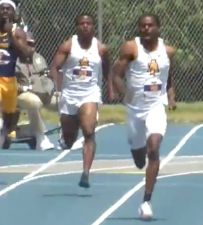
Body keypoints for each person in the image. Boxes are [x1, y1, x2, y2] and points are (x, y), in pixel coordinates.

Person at [112, 13, 176, 220]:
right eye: (142, 26)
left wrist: (171, 97)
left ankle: (146, 201)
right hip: (134, 109)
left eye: (150, 26)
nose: (146, 29)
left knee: (154, 147)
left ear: (158, 27)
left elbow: (169, 78)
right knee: (140, 160)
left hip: (156, 106)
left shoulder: (168, 51)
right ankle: (135, 148)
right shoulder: (131, 48)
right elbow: (116, 75)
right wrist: (124, 93)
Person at [49, 13, 111, 188]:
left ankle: (85, 173)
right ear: (77, 26)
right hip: (69, 94)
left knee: (89, 131)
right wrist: (59, 87)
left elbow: (107, 69)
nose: (85, 26)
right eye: (82, 23)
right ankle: (65, 135)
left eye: (88, 23)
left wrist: (111, 89)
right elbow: (55, 67)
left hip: (90, 94)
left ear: (93, 26)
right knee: (69, 140)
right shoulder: (68, 46)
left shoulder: (101, 49)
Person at [0, 0, 33, 148]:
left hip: (10, 79)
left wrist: (11, 37)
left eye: (8, 9)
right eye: (2, 9)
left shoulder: (17, 32)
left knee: (9, 113)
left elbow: (26, 56)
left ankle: (6, 135)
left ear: (14, 13)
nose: (5, 11)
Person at [14, 31, 54, 150]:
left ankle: (67, 137)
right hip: (18, 95)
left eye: (33, 44)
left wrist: (49, 88)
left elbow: (46, 76)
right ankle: (40, 138)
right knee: (33, 102)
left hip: (41, 93)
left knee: (65, 100)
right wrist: (25, 88)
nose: (31, 47)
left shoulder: (38, 58)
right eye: (28, 44)